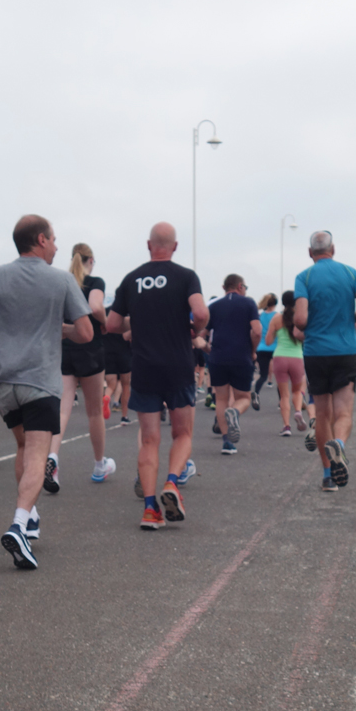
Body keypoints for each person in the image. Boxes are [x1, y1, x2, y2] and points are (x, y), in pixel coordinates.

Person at [0, 215, 92, 567]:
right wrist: (56, 330)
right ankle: (19, 525)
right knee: (37, 452)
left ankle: (29, 515)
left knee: (22, 446)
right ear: (41, 240)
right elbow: (86, 332)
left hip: (2, 380)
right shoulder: (62, 279)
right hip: (39, 379)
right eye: (54, 239)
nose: (58, 245)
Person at [107, 222, 208, 529]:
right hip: (178, 365)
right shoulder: (186, 277)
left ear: (148, 245)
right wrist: (196, 330)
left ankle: (150, 510)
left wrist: (137, 323)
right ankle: (172, 482)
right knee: (183, 434)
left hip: (145, 367)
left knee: (149, 439)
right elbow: (201, 314)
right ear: (174, 247)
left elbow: (112, 324)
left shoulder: (131, 279)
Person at [293, 231, 356, 491]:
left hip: (316, 352)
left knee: (323, 415)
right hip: (346, 350)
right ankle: (339, 444)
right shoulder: (351, 273)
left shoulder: (303, 277)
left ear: (310, 252)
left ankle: (328, 476)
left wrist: (309, 324)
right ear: (333, 249)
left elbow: (301, 320)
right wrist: (352, 319)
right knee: (343, 413)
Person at [45, 243, 115, 490]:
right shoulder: (95, 282)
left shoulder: (61, 281)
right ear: (91, 260)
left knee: (63, 409)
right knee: (94, 412)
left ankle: (52, 458)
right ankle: (99, 465)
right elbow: (96, 307)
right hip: (90, 347)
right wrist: (105, 323)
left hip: (65, 347)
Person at [206, 274, 261, 456]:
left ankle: (227, 442)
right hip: (241, 356)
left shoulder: (214, 306)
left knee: (221, 398)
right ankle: (235, 412)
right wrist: (253, 350)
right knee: (243, 397)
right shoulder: (248, 303)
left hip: (217, 357)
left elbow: (203, 332)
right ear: (239, 286)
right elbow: (257, 331)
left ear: (224, 287)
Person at [264, 291, 309, 436]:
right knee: (297, 391)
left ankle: (286, 426)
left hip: (280, 357)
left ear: (282, 302)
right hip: (297, 357)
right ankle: (297, 411)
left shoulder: (276, 319)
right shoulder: (300, 319)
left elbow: (268, 341)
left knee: (284, 395)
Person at [103, 288, 133, 424]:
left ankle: (107, 396)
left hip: (107, 352)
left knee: (111, 384)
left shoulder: (105, 312)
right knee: (126, 385)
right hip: (124, 353)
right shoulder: (128, 315)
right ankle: (124, 416)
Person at [252, 294, 278, 410]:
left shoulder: (260, 316)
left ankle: (256, 393)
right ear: (276, 303)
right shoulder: (278, 316)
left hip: (261, 348)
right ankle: (281, 402)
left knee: (263, 375)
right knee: (279, 377)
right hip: (276, 348)